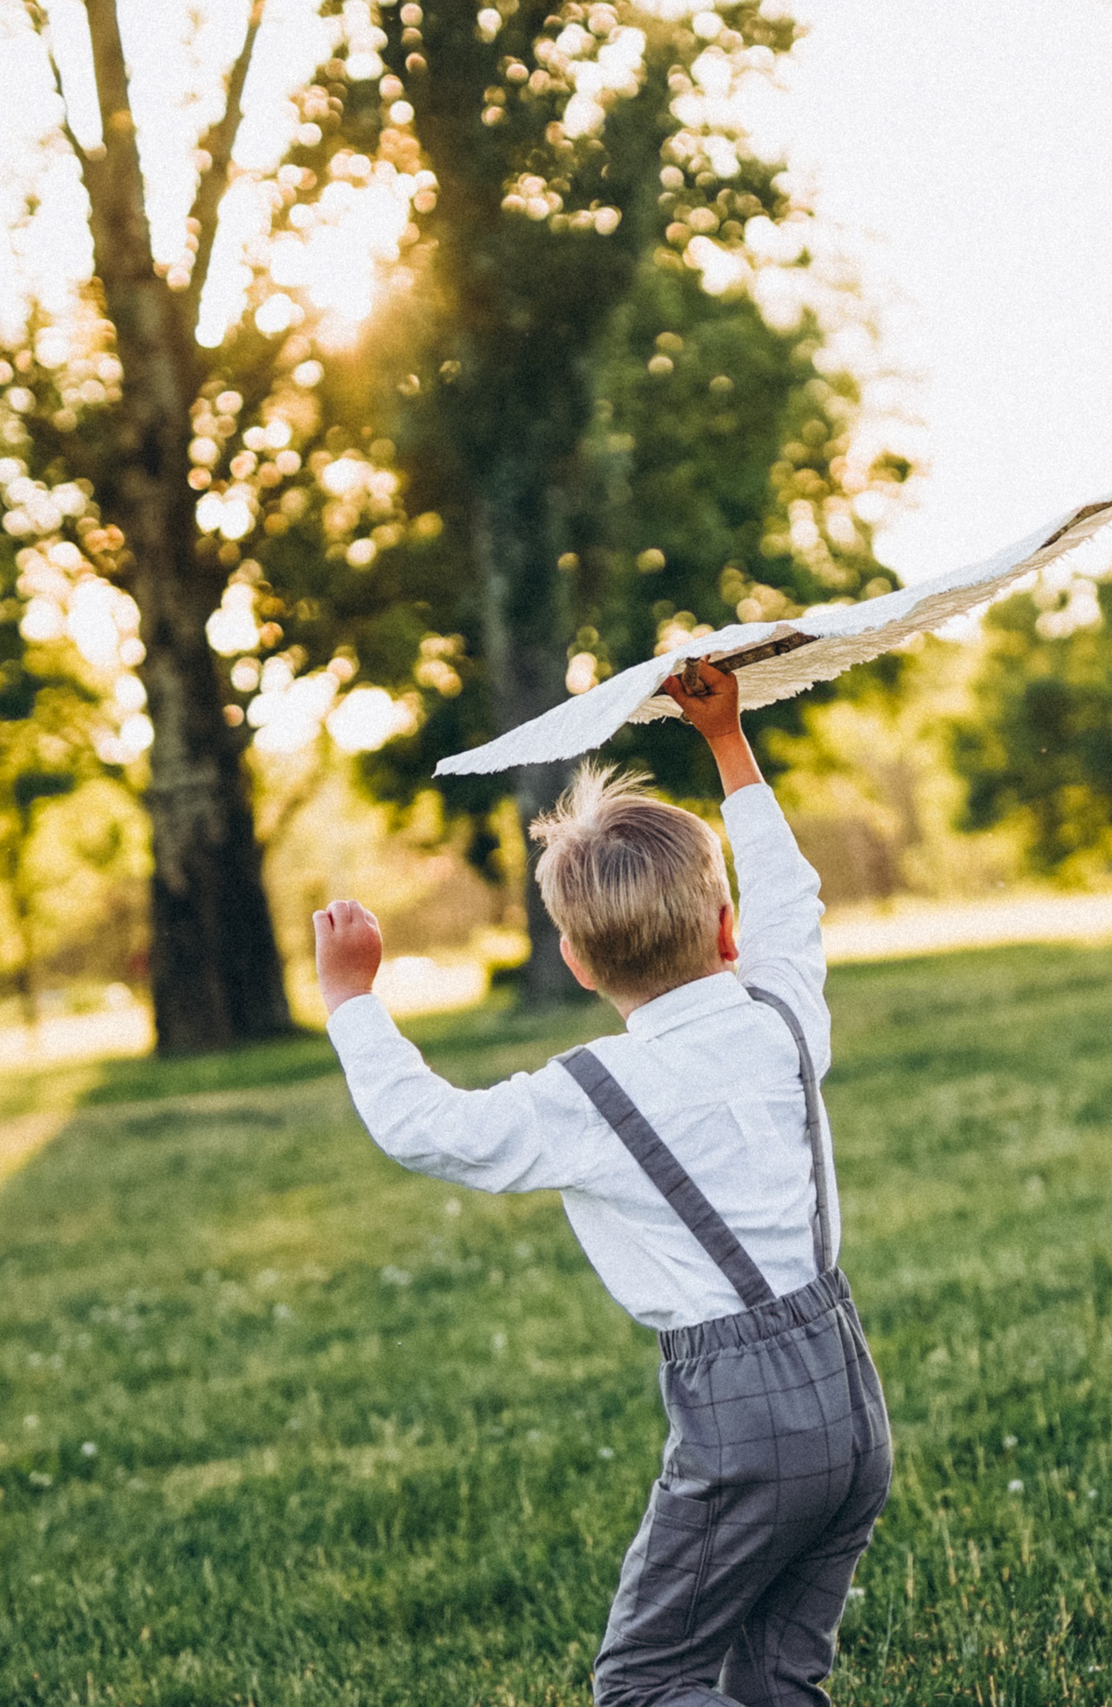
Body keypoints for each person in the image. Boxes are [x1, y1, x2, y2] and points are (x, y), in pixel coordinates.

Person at [313, 658, 889, 1707]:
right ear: (726, 932)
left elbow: (425, 1127)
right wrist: (727, 743)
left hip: (739, 1423)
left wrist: (354, 1001)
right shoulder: (780, 1017)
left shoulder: (582, 1095)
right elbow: (791, 902)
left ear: (576, 963)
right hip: (852, 1405)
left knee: (642, 1684)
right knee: (779, 1674)